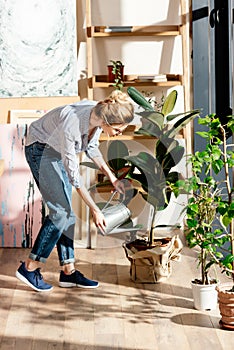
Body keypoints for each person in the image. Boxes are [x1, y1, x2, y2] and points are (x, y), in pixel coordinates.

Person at [15, 90, 134, 292]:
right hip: (40, 149)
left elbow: (92, 147)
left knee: (67, 214)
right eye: (118, 129)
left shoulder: (97, 115)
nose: (119, 133)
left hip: (55, 150)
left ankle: (68, 272)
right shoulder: (73, 123)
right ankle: (29, 267)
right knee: (60, 212)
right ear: (106, 121)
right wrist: (95, 210)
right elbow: (75, 177)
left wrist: (112, 177)